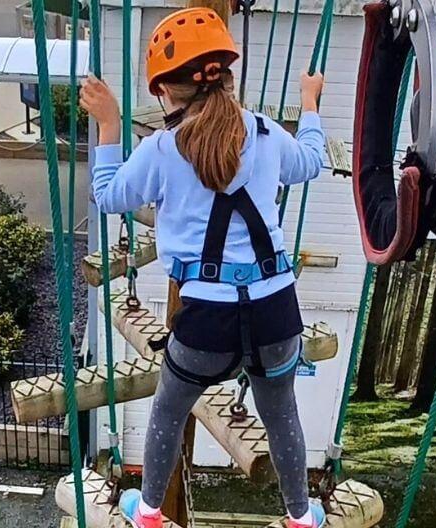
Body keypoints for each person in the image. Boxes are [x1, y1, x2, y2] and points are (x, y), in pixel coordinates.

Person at [78, 6, 328, 527]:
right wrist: (309, 104)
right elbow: (310, 161)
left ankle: (147, 511)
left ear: (165, 93)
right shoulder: (263, 133)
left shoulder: (163, 150)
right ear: (228, 78)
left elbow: (107, 196)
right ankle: (302, 517)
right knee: (280, 412)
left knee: (170, 408)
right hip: (276, 309)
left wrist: (108, 123)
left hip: (205, 320)